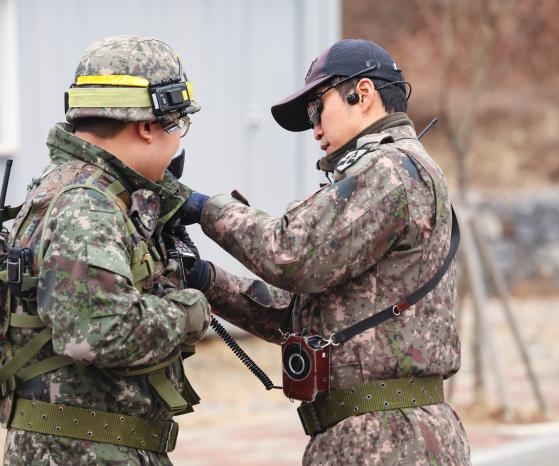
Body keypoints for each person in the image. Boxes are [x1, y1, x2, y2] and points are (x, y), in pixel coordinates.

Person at [177, 39, 471, 465]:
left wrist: (204, 208)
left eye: (317, 108)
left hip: (386, 439)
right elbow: (298, 317)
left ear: (363, 94)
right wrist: (205, 279)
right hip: (375, 433)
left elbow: (291, 254)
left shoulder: (386, 169)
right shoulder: (391, 171)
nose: (314, 129)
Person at [0, 35, 211, 465]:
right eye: (176, 125)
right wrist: (190, 312)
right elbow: (97, 331)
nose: (177, 142)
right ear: (147, 126)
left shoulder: (69, 187)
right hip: (87, 453)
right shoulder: (87, 204)